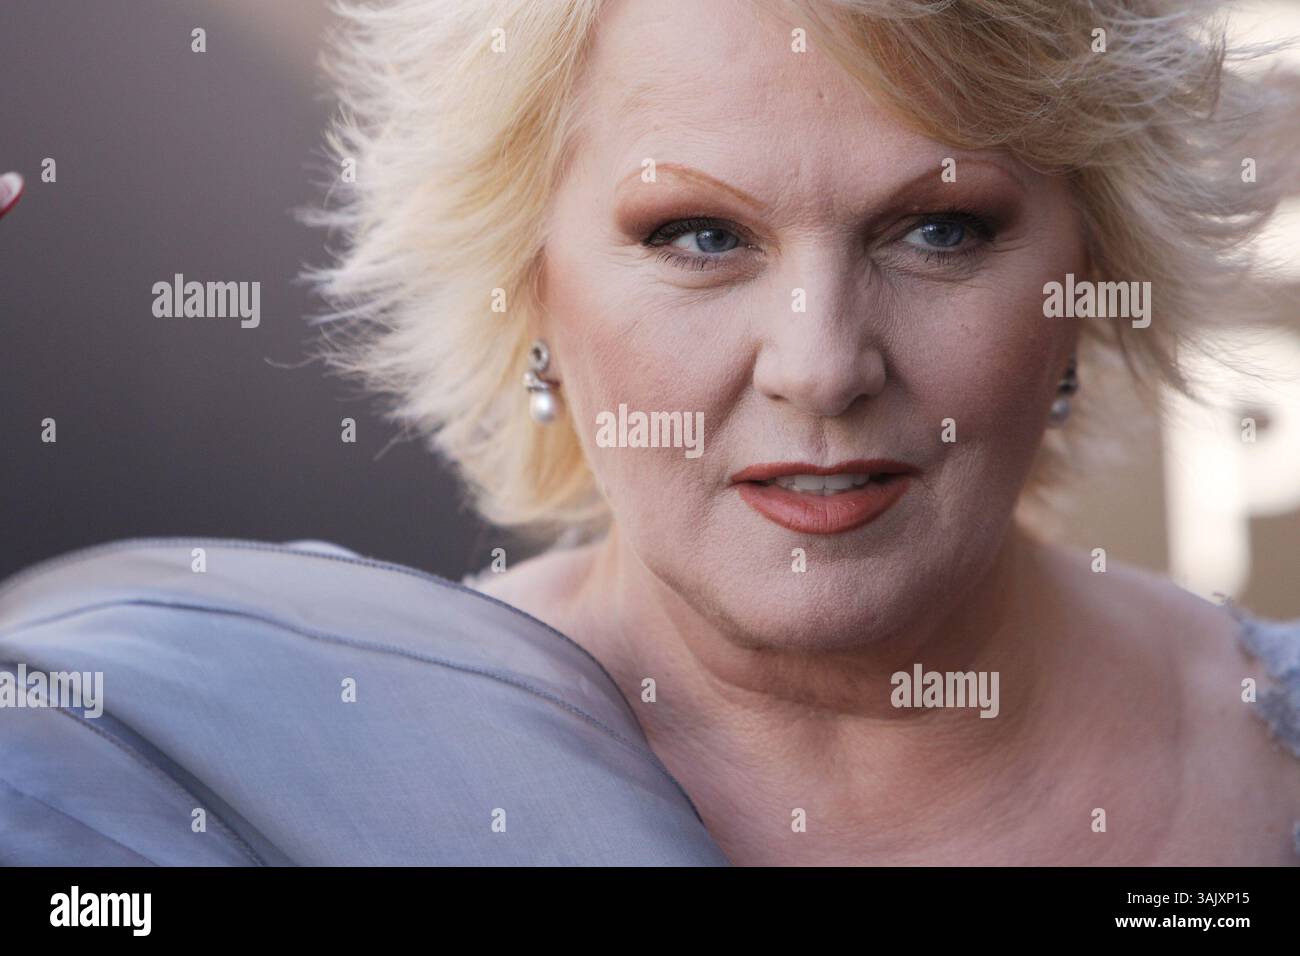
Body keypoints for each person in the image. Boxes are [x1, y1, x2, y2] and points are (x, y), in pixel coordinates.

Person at [2, 0, 1297, 865]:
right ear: (526, 282)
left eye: (940, 228)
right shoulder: (235, 771)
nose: (822, 366)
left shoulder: (1270, 759)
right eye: (700, 236)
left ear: (1094, 270)